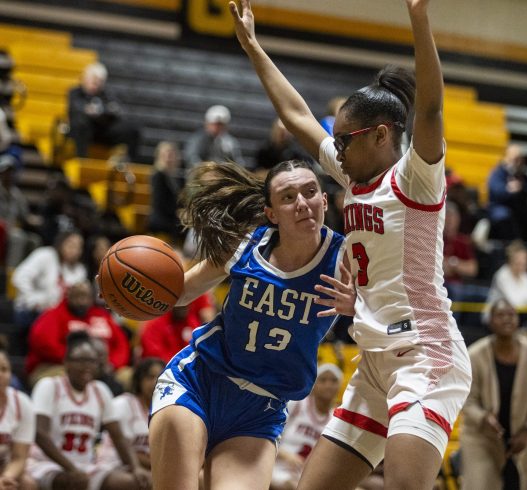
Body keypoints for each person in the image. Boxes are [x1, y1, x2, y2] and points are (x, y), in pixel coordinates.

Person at [230, 0, 472, 488]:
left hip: (423, 354)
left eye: (344, 140)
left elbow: (429, 106)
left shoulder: (416, 179)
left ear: (382, 135)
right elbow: (296, 114)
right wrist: (254, 47)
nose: (333, 149)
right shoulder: (353, 175)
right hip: (375, 361)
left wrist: (419, 20)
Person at [148, 160, 353, 490]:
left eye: (310, 192)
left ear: (324, 201)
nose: (302, 203)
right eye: (287, 197)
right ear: (271, 213)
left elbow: (391, 314)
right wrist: (129, 292)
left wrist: (357, 307)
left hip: (261, 408)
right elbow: (181, 293)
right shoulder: (246, 246)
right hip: (199, 381)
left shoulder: (346, 258)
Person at [27, 331, 150, 490]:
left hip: (85, 466)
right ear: (66, 362)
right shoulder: (49, 386)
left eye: (92, 361)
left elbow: (118, 437)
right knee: (76, 482)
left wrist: (136, 468)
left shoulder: (101, 391)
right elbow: (39, 433)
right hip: (45, 464)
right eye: (81, 360)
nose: (87, 366)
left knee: (135, 482)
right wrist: (71, 468)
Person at [460, 299, 527, 490]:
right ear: (490, 322)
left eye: (511, 314)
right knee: (479, 484)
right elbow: (467, 398)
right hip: (482, 438)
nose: (507, 319)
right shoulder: (474, 354)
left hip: (521, 438)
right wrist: (483, 418)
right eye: (500, 315)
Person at [25, 281, 130, 386]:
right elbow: (44, 344)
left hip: (104, 368)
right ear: (68, 295)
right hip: (59, 366)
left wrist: (113, 363)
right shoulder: (53, 315)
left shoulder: (102, 316)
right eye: (77, 296)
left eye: (85, 296)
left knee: (128, 377)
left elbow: (122, 345)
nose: (81, 301)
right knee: (61, 380)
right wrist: (80, 362)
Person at [270, 363, 343, 490]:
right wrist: (286, 455)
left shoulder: (335, 419)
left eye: (333, 381)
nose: (328, 385)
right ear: (313, 385)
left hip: (304, 475)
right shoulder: (296, 405)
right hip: (277, 466)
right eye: (323, 380)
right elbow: (269, 436)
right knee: (291, 486)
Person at [98, 358, 166, 471]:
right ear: (139, 380)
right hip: (115, 465)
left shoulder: (165, 410)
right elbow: (124, 449)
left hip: (149, 468)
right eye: (150, 377)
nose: (155, 382)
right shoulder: (123, 404)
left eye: (160, 378)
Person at [12, 230, 87, 330]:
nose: (75, 250)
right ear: (61, 243)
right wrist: (31, 300)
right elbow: (20, 277)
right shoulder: (45, 255)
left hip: (60, 315)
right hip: (32, 311)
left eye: (79, 247)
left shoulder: (79, 270)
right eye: (71, 244)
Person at [68, 62, 141, 162]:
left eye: (99, 82)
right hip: (84, 132)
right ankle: (82, 160)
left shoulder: (106, 94)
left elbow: (116, 110)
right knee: (80, 123)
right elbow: (78, 108)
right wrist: (94, 111)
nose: (96, 85)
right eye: (94, 81)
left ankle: (130, 162)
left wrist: (101, 112)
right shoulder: (75, 92)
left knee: (133, 129)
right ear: (85, 79)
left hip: (103, 131)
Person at [0, 340, 37, 490]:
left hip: (4, 468)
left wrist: (6, 479)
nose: (1, 375)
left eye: (4, 369)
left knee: (27, 484)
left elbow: (19, 457)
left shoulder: (22, 402)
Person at [0, 154, 41, 268]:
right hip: (2, 229)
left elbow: (25, 216)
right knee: (18, 237)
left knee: (34, 240)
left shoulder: (16, 194)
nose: (9, 175)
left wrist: (38, 221)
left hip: (11, 229)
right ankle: (10, 274)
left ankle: (26, 272)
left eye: (11, 172)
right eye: (6, 171)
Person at [183, 105, 247, 169]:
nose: (217, 127)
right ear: (207, 123)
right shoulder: (198, 139)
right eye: (214, 124)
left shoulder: (230, 142)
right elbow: (192, 158)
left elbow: (237, 162)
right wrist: (205, 169)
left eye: (220, 124)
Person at [139, 303, 203, 363]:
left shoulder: (192, 322)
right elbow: (153, 353)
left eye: (186, 305)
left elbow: (198, 349)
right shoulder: (157, 324)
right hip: (163, 368)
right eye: (180, 305)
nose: (183, 308)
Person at [147, 141, 185, 243]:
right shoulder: (158, 176)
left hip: (173, 217)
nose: (169, 158)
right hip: (162, 218)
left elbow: (182, 200)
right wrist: (178, 213)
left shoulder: (179, 178)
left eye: (171, 155)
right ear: (159, 156)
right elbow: (159, 203)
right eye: (165, 155)